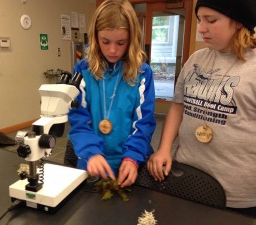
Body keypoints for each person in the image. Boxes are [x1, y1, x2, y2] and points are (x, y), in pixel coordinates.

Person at [147, 0, 256, 217]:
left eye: (211, 20)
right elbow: (178, 106)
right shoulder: (196, 60)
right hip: (186, 177)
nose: (201, 28)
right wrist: (164, 148)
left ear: (237, 22)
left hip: (236, 194)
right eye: (199, 19)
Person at [66, 0, 156, 188]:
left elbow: (143, 123)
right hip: (91, 165)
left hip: (129, 166)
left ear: (131, 40)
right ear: (95, 37)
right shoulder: (83, 70)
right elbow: (78, 119)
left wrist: (132, 157)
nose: (112, 50)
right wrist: (91, 152)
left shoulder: (142, 73)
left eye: (120, 43)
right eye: (105, 42)